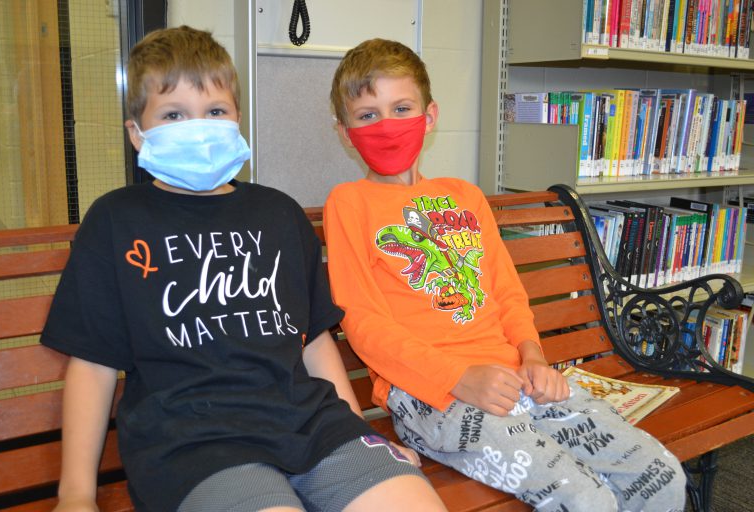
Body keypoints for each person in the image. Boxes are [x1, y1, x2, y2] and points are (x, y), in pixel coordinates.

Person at [41, 26, 446, 512]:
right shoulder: (115, 220)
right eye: (173, 115)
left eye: (215, 111)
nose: (198, 126)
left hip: (311, 426)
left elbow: (315, 340)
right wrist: (76, 494)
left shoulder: (278, 213)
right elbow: (93, 361)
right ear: (137, 133)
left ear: (236, 117)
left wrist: (360, 433)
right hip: (195, 444)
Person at [323, 38, 686, 512]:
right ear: (346, 131)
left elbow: (507, 293)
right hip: (432, 397)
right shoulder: (349, 204)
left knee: (659, 476)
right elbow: (362, 323)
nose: (387, 125)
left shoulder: (465, 196)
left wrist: (534, 358)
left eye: (401, 107)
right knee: (585, 499)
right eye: (368, 115)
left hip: (520, 378)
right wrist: (458, 377)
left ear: (429, 116)